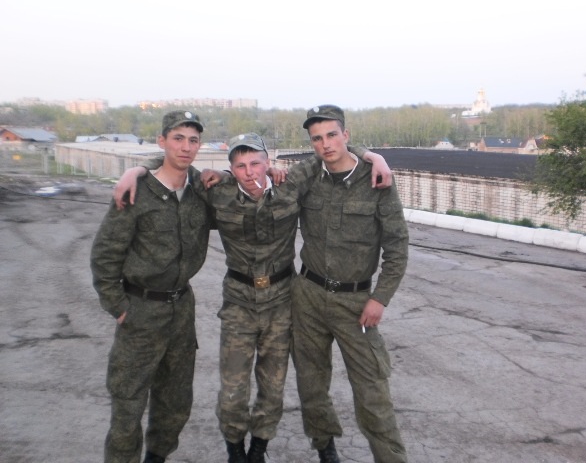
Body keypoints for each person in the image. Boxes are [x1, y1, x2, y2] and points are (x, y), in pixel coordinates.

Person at [112, 133, 392, 463]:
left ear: (267, 162)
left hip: (281, 302)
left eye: (256, 163)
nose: (249, 172)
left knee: (272, 388)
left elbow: (329, 152)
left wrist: (373, 156)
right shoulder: (218, 190)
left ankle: (259, 448)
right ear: (230, 168)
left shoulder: (290, 185)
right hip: (239, 304)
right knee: (233, 390)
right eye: (240, 166)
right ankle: (235, 449)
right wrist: (137, 170)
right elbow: (177, 164)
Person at [90, 110, 213, 463]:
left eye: (193, 140)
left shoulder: (201, 189)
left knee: (175, 401)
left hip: (181, 310)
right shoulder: (137, 191)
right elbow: (105, 254)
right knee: (128, 402)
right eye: (178, 138)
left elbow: (239, 179)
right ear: (162, 141)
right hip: (140, 309)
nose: (186, 147)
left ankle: (157, 457)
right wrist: (118, 307)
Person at [291, 105, 410, 463]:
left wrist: (380, 298)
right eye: (317, 138)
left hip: (356, 302)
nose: (325, 144)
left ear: (346, 135)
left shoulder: (376, 179)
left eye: (331, 135)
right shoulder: (308, 176)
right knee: (311, 384)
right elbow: (256, 173)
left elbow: (397, 245)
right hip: (308, 296)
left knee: (373, 392)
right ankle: (325, 448)